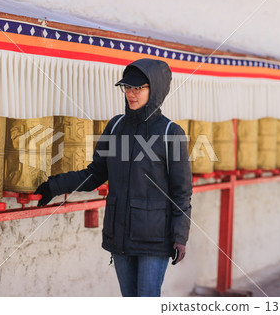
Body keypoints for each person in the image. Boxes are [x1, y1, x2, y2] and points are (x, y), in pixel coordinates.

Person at [35, 58, 192, 297]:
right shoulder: (116, 126)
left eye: (139, 88)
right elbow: (95, 173)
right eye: (128, 87)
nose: (131, 93)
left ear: (155, 89)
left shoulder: (171, 133)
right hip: (119, 234)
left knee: (147, 296)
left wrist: (180, 236)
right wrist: (54, 186)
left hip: (155, 239)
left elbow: (181, 191)